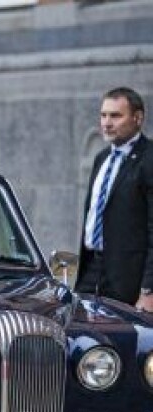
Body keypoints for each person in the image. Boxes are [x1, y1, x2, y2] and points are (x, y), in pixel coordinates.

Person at [75, 87, 153, 310]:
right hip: (90, 273)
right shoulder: (101, 159)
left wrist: (148, 290)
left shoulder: (148, 160)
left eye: (116, 116)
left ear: (138, 118)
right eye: (103, 115)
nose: (107, 123)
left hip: (128, 283)